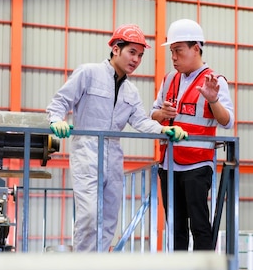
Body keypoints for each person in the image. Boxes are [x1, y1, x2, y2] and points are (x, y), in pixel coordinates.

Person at [46, 24, 187, 252]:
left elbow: (141, 121)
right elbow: (60, 101)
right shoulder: (88, 73)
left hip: (113, 158)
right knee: (90, 216)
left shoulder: (131, 91)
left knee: (109, 219)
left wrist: (164, 130)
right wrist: (56, 120)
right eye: (132, 52)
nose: (136, 60)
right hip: (87, 154)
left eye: (140, 55)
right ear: (115, 49)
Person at [150, 19, 234, 251]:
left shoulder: (215, 82)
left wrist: (213, 100)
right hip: (169, 165)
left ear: (196, 48)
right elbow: (152, 113)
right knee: (175, 227)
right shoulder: (169, 80)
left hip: (197, 165)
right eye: (171, 52)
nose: (174, 57)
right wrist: (161, 113)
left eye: (178, 51)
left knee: (199, 225)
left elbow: (227, 121)